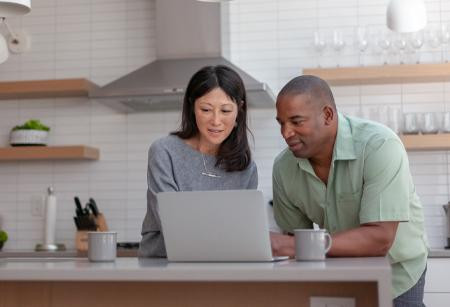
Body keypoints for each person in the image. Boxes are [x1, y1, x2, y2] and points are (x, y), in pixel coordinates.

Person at [270, 75, 428, 306]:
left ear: (327, 115)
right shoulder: (283, 168)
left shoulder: (379, 145)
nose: (286, 133)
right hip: (340, 272)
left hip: (397, 272)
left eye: (296, 121)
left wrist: (291, 246)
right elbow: (295, 242)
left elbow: (380, 238)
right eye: (281, 123)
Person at [138, 65, 258, 258]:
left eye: (226, 110)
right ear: (192, 107)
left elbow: (244, 231)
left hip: (222, 266)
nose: (216, 121)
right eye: (206, 109)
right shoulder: (164, 151)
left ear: (239, 111)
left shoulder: (246, 168)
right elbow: (170, 221)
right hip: (162, 266)